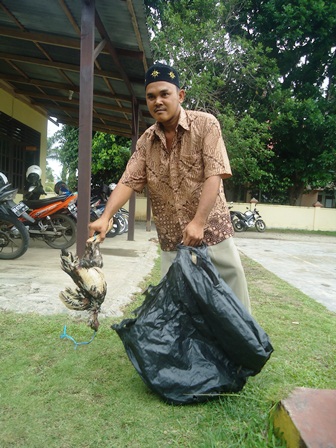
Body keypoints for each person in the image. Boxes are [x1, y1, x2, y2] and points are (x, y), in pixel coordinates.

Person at [89, 63, 251, 313]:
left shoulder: (206, 125)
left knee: (232, 293)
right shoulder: (146, 141)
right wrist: (105, 217)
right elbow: (128, 180)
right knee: (177, 304)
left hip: (212, 229)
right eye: (151, 97)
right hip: (172, 238)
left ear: (181, 95)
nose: (158, 101)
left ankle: (242, 347)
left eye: (165, 94)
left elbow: (215, 174)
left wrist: (198, 222)